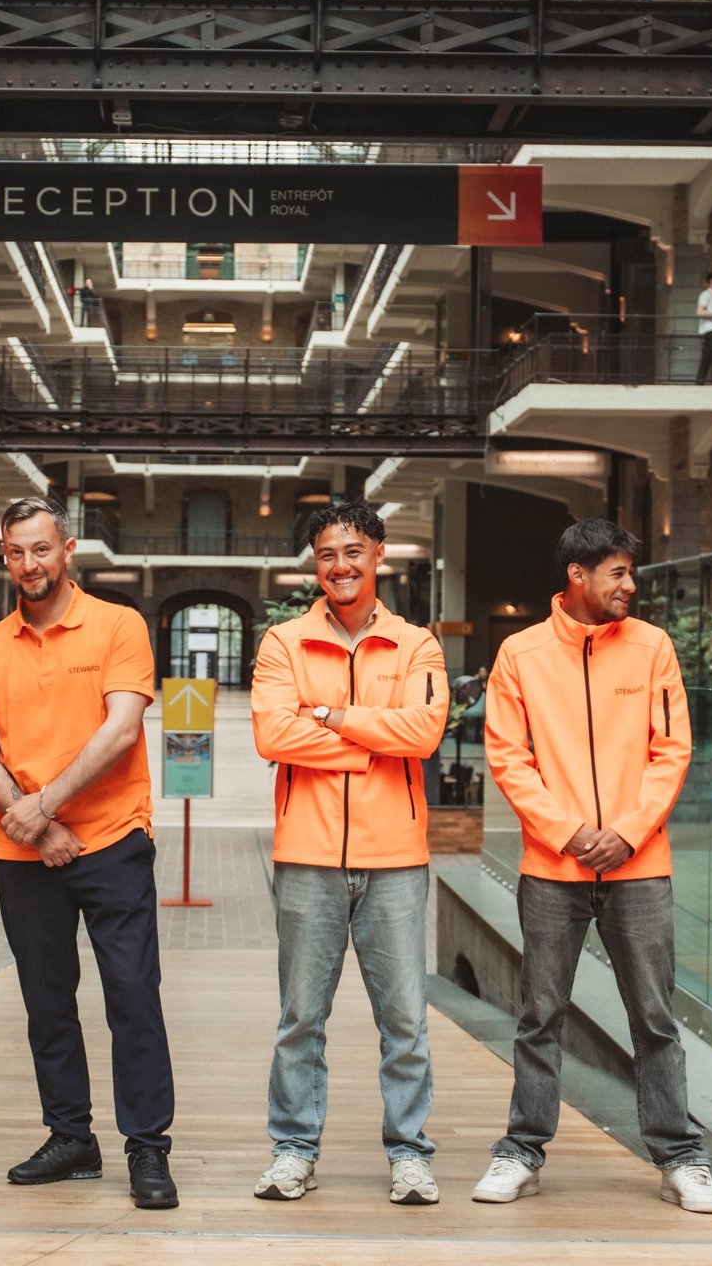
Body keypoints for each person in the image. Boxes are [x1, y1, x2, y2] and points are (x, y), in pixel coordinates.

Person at [473, 518, 712, 1214]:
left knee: (654, 1016)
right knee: (539, 1014)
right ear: (577, 576)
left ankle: (680, 1157)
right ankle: (522, 1150)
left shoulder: (653, 648)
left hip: (639, 865)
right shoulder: (520, 654)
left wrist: (626, 832)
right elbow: (508, 757)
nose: (630, 586)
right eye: (618, 573)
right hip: (553, 868)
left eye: (630, 573)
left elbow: (672, 750)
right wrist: (572, 833)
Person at [0, 496, 178, 1211]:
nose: (29, 564)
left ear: (68, 547)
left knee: (132, 998)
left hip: (112, 840)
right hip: (25, 854)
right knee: (47, 1003)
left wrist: (44, 805)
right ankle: (71, 1138)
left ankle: (147, 1147)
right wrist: (36, 826)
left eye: (41, 549)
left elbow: (120, 733)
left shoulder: (118, 625)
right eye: (16, 553)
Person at [250, 500, 448, 1206]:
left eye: (354, 552)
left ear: (379, 556)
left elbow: (423, 734)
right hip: (306, 854)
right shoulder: (283, 643)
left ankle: (410, 1153)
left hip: (396, 856)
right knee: (301, 1016)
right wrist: (373, 742)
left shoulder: (417, 644)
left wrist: (332, 718)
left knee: (405, 1019)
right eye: (328, 553)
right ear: (316, 562)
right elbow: (274, 738)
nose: (341, 565)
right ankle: (294, 1149)